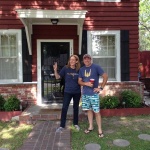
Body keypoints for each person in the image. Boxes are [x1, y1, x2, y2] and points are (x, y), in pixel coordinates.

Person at [78, 54, 108, 138]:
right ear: (83, 60)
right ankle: (90, 126)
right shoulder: (81, 69)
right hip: (85, 94)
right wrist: (85, 83)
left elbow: (105, 76)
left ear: (91, 60)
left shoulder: (96, 67)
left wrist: (100, 88)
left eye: (88, 59)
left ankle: (100, 130)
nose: (87, 60)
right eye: (85, 59)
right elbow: (79, 81)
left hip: (94, 94)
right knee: (89, 110)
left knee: (97, 112)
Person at [53, 55, 81, 132]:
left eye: (73, 60)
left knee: (76, 108)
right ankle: (62, 125)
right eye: (70, 59)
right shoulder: (65, 68)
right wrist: (55, 70)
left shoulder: (79, 70)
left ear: (76, 61)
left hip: (77, 92)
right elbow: (58, 77)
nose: (71, 61)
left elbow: (81, 80)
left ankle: (75, 124)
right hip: (67, 91)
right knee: (64, 108)